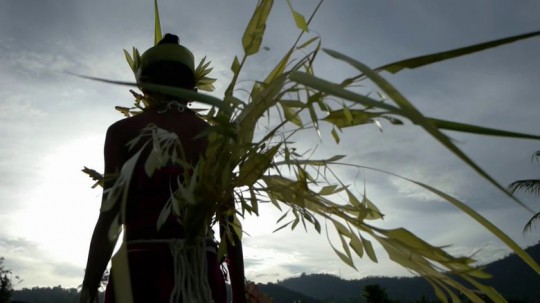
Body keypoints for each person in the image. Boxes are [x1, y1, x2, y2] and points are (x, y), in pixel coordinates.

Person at [79, 34, 246, 303]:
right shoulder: (214, 138)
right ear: (193, 88)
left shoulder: (122, 132)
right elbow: (229, 222)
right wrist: (239, 293)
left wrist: (88, 290)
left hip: (137, 273)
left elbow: (110, 219)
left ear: (143, 85)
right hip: (198, 277)